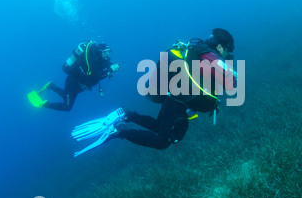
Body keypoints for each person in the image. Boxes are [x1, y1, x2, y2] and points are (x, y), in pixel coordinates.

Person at [72, 28, 236, 156]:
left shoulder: (198, 50)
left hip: (175, 97)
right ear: (221, 46)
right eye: (227, 50)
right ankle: (119, 131)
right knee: (163, 141)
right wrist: (227, 64)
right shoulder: (210, 55)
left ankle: (127, 114)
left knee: (159, 127)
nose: (227, 54)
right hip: (179, 101)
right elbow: (231, 83)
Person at [28, 41, 120, 111]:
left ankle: (51, 86)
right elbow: (96, 76)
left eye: (109, 52)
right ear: (100, 51)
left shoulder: (102, 58)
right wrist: (110, 70)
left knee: (66, 96)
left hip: (82, 85)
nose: (108, 54)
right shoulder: (92, 60)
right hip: (73, 82)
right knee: (67, 106)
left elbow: (107, 63)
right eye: (106, 52)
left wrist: (113, 66)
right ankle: (43, 104)